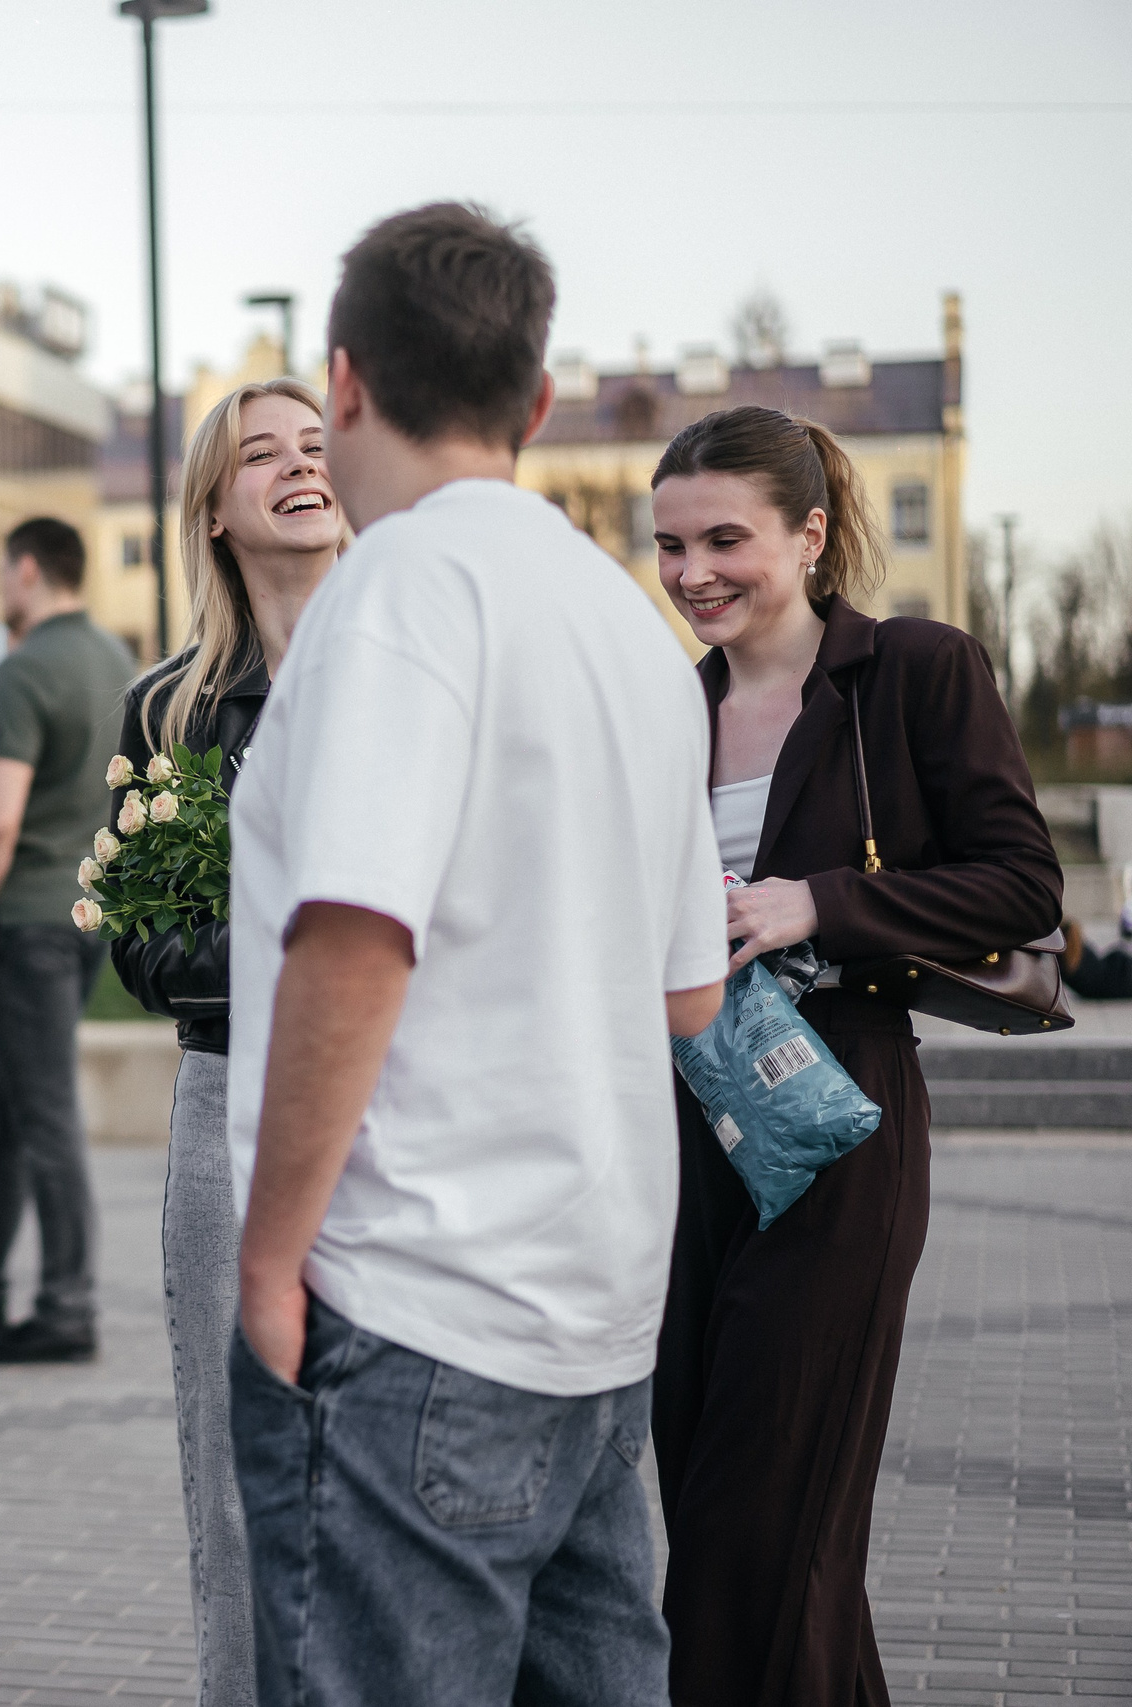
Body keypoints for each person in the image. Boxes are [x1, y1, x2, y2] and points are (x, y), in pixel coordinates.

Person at [226, 202, 728, 1706]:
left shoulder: (399, 583)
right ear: (538, 402)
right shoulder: (630, 627)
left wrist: (266, 1254)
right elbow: (690, 987)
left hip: (417, 1301)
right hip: (596, 1310)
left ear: (348, 381)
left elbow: (357, 932)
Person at [648, 404, 1063, 1703]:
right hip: (681, 1126)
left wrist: (814, 900)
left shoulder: (916, 670)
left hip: (842, 1116)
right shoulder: (668, 708)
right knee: (738, 1515)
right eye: (668, 544)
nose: (694, 571)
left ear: (812, 532)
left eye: (726, 537)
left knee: (755, 1523)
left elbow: (1022, 882)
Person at [106, 376, 343, 1707]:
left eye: (318, 445)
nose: (301, 466)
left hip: (410, 1102)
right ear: (214, 509)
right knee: (242, 1479)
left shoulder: (417, 665)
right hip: (232, 1101)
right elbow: (151, 952)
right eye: (264, 453)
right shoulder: (174, 712)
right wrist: (340, 941)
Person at [0, 517, 134, 1365]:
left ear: (30, 572)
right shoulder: (116, 661)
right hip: (82, 918)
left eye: (5, 571)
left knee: (42, 1115)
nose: (1, 585)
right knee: (11, 1106)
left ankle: (68, 1303)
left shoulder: (25, 668)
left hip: (23, 923)